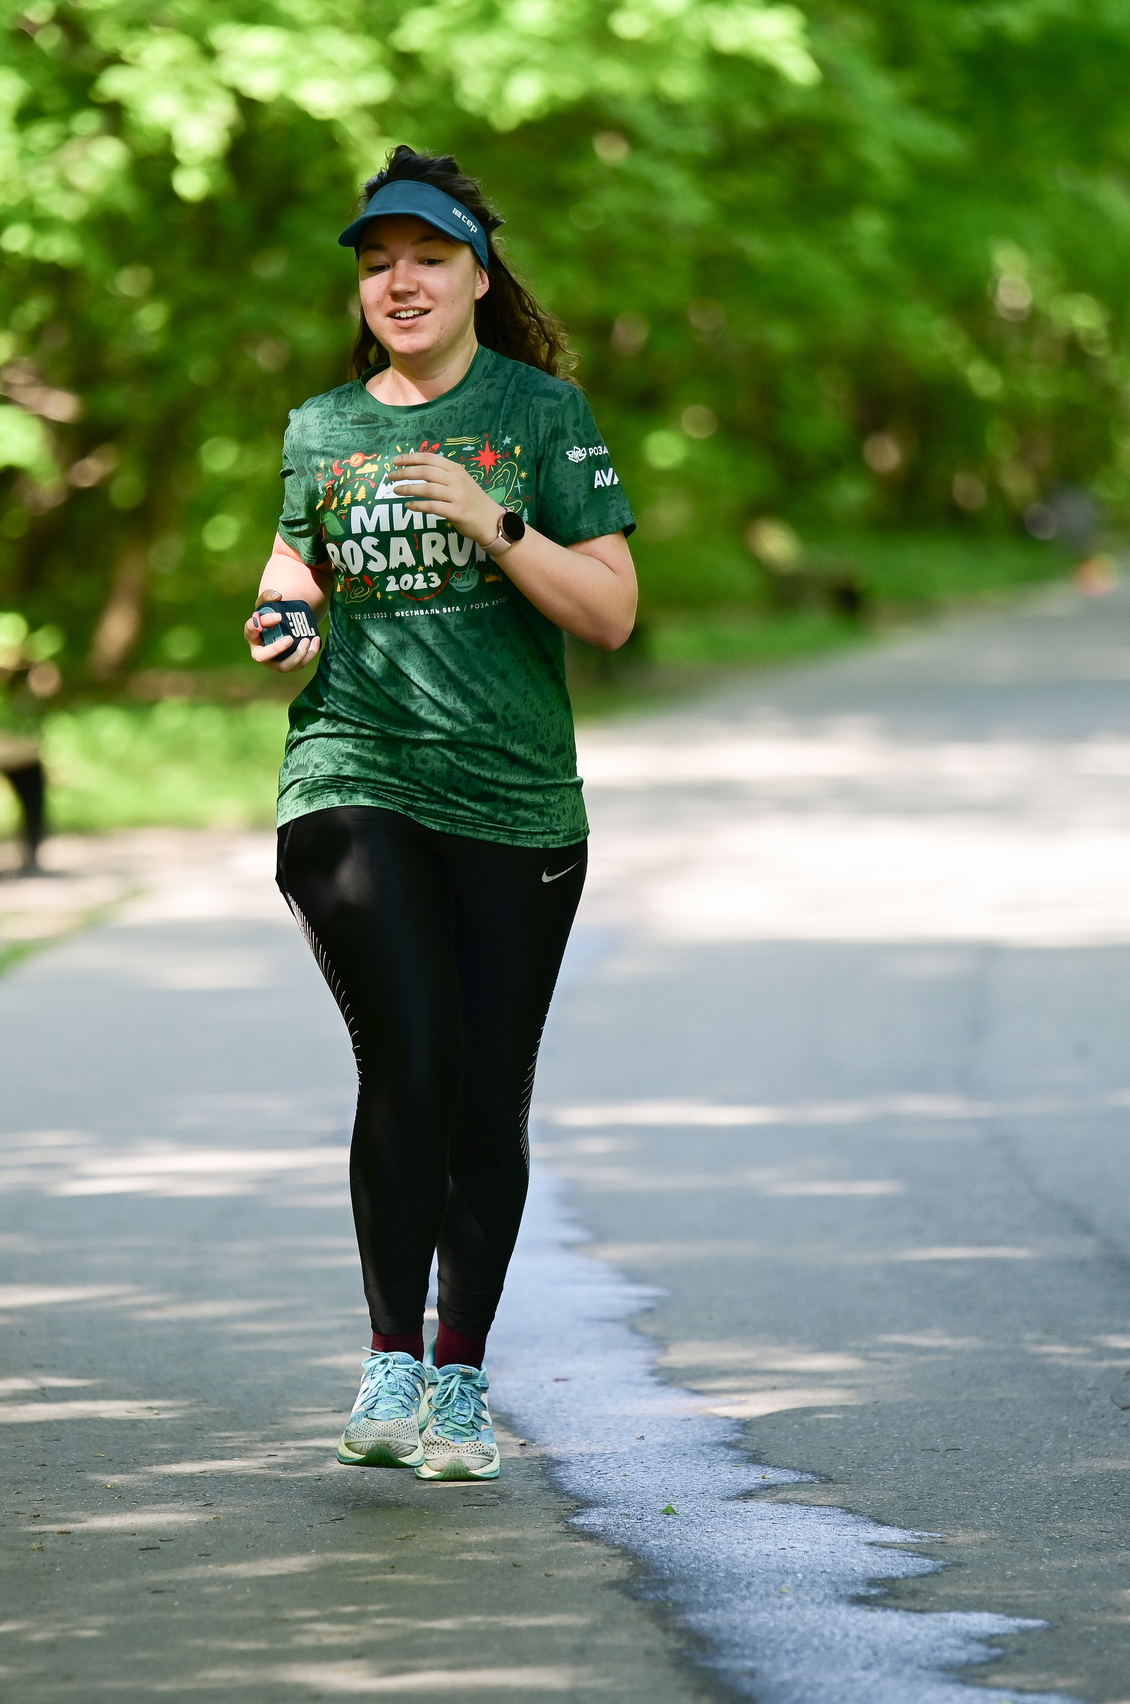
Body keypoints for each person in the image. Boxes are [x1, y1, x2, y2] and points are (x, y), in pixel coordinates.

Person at [244, 146, 638, 1483]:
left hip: (516, 801)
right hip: (352, 775)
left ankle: (460, 1379)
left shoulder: (540, 414)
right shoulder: (321, 427)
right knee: (410, 1055)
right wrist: (283, 617)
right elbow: (295, 559)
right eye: (376, 263)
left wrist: (492, 521)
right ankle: (388, 1363)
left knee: (484, 1096)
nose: (398, 281)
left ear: (478, 276)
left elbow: (612, 611)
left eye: (425, 258)